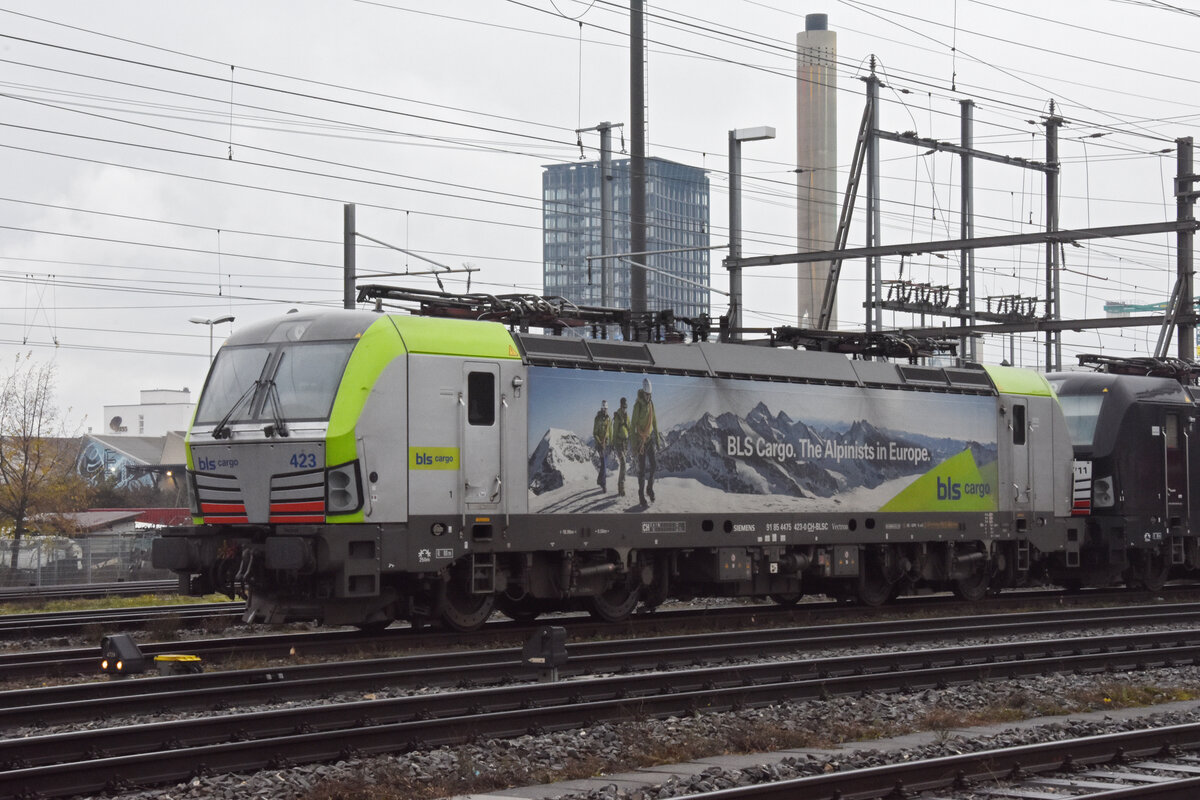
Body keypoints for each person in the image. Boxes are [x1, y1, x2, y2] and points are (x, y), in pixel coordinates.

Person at [631, 378, 658, 505]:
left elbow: (654, 421)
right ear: (643, 393)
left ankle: (649, 488)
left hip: (649, 439)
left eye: (650, 395)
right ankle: (641, 495)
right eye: (647, 395)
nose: (649, 397)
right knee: (642, 470)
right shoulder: (638, 406)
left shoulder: (651, 404)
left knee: (654, 465)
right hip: (640, 441)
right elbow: (632, 426)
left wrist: (657, 437)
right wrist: (633, 445)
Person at [611, 397, 630, 497]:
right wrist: (613, 444)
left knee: (623, 465)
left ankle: (620, 485)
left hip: (625, 444)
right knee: (623, 463)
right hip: (618, 444)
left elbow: (630, 428)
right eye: (623, 407)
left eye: (625, 407)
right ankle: (621, 487)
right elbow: (614, 432)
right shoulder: (617, 417)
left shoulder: (627, 417)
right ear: (620, 406)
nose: (624, 409)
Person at [592, 399, 612, 492]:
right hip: (599, 444)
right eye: (604, 409)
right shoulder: (597, 419)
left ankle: (599, 480)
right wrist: (599, 442)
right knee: (603, 463)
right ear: (601, 408)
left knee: (605, 463)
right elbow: (595, 433)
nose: (605, 410)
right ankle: (603, 484)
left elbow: (610, 432)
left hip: (606, 444)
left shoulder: (608, 419)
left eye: (606, 409)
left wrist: (611, 443)